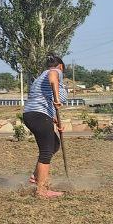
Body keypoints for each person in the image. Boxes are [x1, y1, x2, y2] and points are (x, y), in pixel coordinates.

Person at [22, 54, 66, 199]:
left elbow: (44, 101)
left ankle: (35, 177)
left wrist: (57, 122)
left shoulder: (40, 76)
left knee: (54, 145)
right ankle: (42, 190)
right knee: (46, 151)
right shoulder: (55, 71)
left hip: (35, 114)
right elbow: (53, 77)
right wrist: (57, 99)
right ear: (60, 66)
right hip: (38, 115)